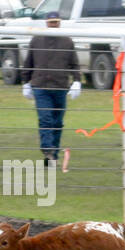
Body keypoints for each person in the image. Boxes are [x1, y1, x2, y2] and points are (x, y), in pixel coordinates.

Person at [21, 11, 80, 166]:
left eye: (56, 22)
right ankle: (48, 150)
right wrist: (25, 81)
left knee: (58, 122)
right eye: (51, 22)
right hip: (40, 86)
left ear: (59, 22)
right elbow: (29, 62)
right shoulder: (37, 40)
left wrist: (77, 81)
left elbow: (74, 63)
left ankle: (53, 153)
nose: (53, 24)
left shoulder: (67, 41)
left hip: (60, 86)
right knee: (45, 119)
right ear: (46, 22)